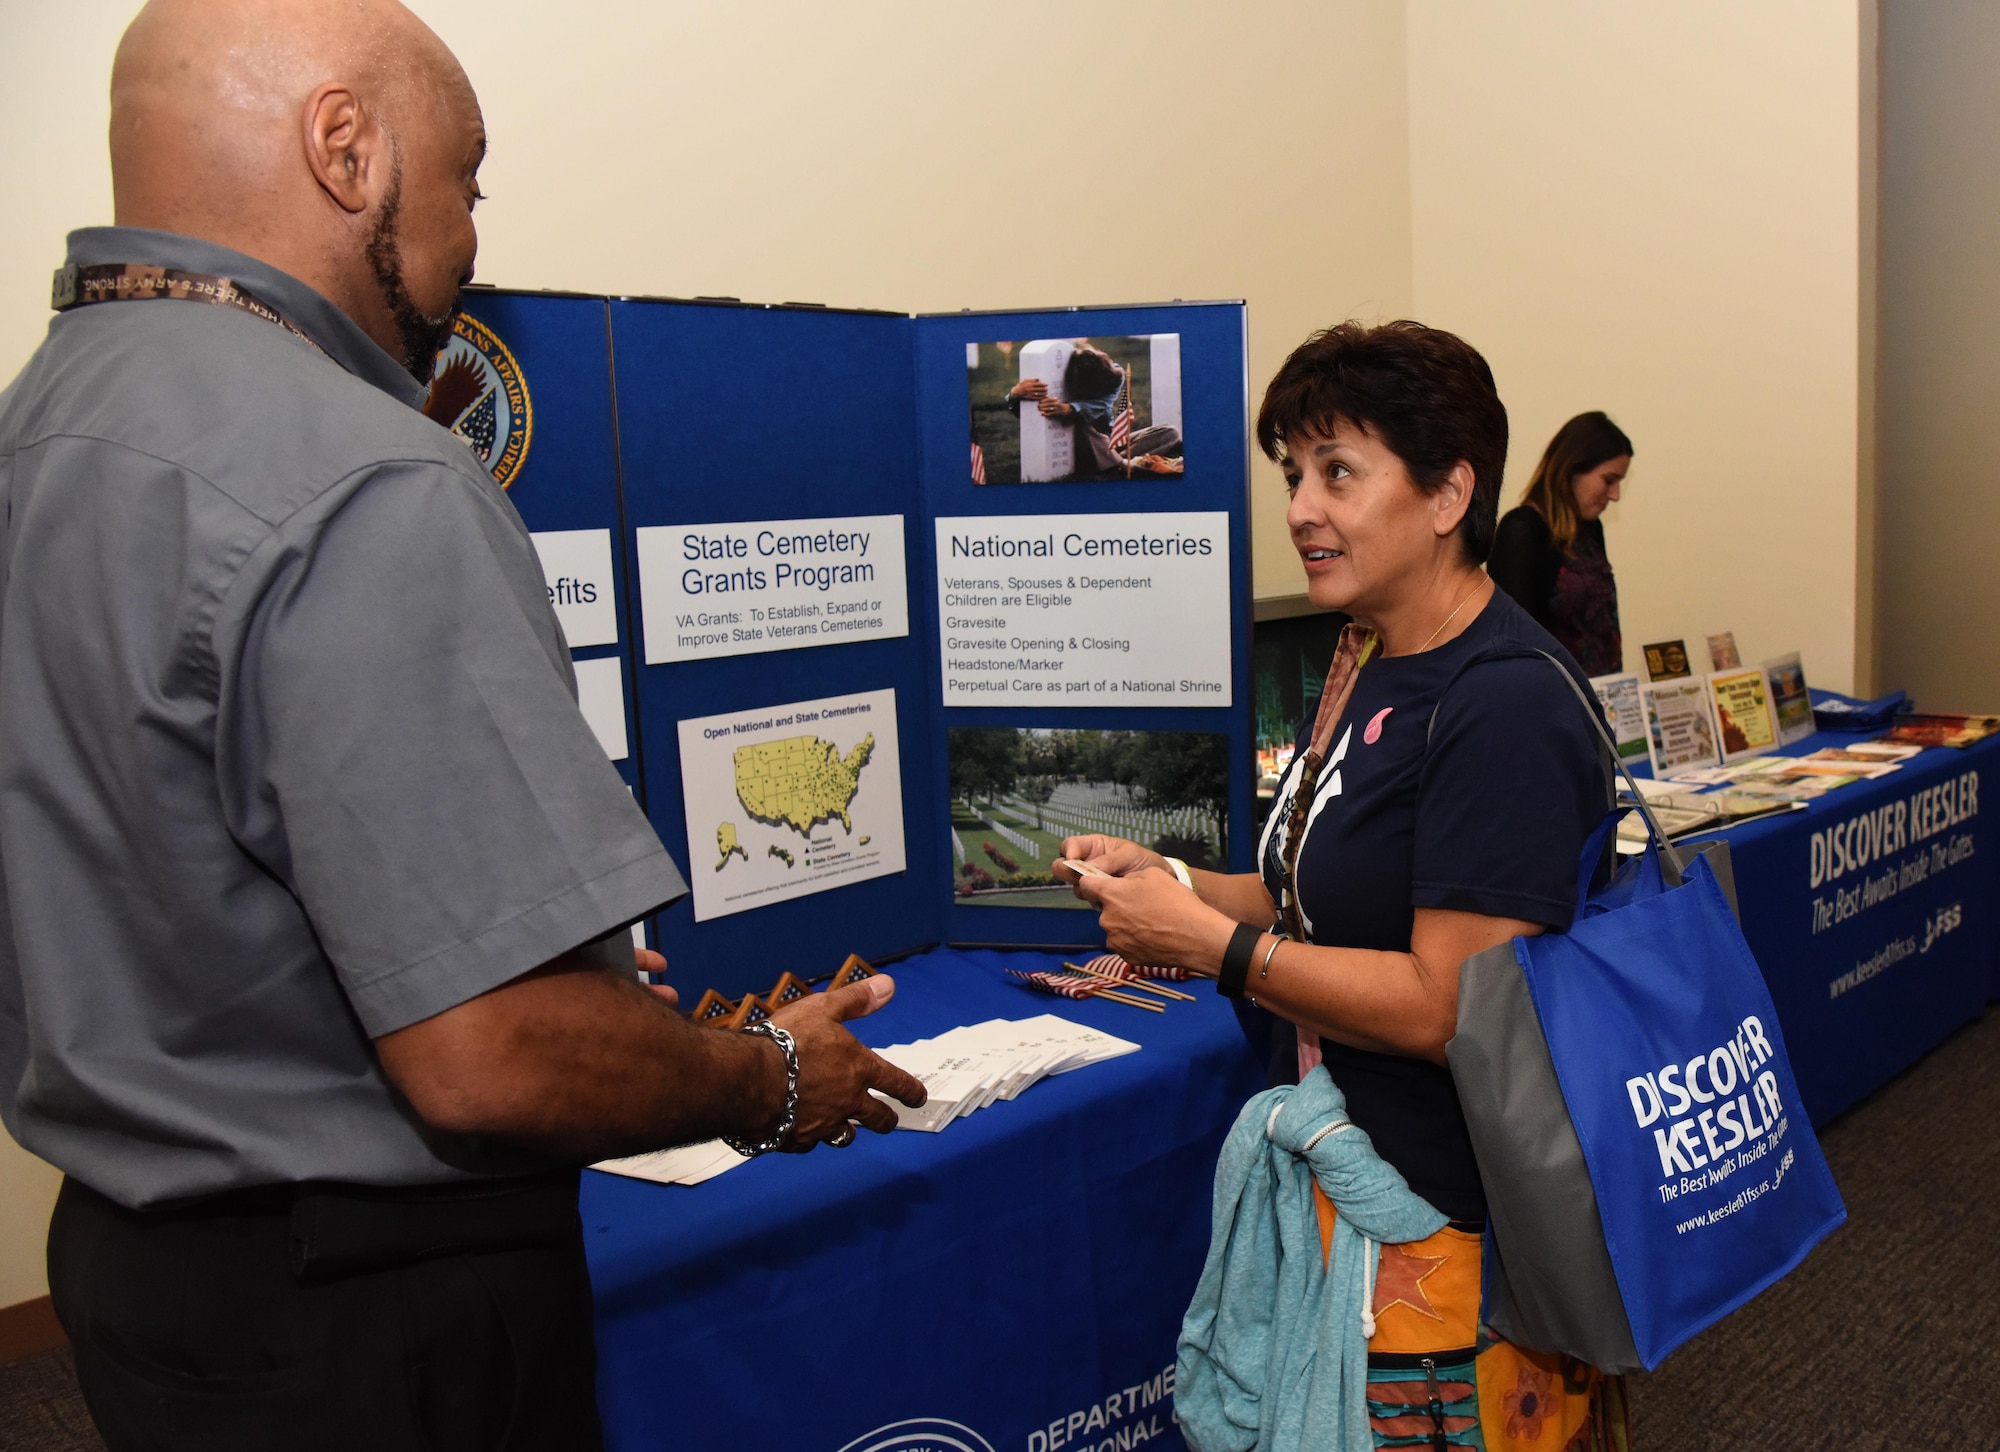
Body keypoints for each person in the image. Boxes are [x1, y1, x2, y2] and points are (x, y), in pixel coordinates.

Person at [0, 2, 924, 1447]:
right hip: (373, 1322)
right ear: (347, 151)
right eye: (468, 178)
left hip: (139, 1283)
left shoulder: (42, 430)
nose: (471, 234)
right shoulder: (364, 480)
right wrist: (774, 1072)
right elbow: (488, 1055)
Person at [1058, 322, 1628, 1447]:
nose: (1300, 509)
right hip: (1354, 1204)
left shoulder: (1498, 702)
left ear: (1446, 492)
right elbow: (1315, 902)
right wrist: (1176, 882)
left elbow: (1445, 1007)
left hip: (1445, 1241)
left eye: (1337, 472)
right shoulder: (1373, 660)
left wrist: (1208, 949)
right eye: (1291, 475)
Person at [1486, 411, 1633, 676]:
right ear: (1572, 468)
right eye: (1609, 480)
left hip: (1602, 699)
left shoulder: (1590, 530)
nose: (1615, 495)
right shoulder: (1522, 529)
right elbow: (1512, 641)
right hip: (1552, 701)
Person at [1004, 341, 1183, 477]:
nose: (1114, 363)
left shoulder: (1114, 374)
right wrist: (1014, 394)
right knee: (1082, 424)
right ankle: (1120, 465)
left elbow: (1100, 405)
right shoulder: (1077, 372)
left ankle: (1115, 461)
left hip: (1109, 440)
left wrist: (1069, 409)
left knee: (1169, 432)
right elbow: (1031, 417)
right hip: (1084, 445)